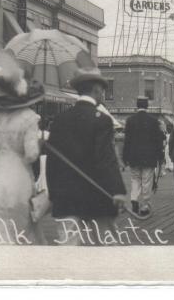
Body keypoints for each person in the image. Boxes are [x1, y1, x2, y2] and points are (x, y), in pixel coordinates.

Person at [46, 67, 127, 245]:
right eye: (102, 91)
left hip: (65, 196)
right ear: (96, 90)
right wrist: (117, 190)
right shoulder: (102, 120)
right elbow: (106, 159)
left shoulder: (60, 119)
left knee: (69, 247)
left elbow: (52, 161)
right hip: (96, 196)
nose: (102, 96)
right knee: (103, 247)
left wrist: (53, 194)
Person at [0, 60, 46, 245]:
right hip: (17, 178)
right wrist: (39, 142)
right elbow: (31, 154)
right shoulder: (29, 117)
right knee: (17, 231)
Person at [123, 96, 165, 216]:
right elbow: (158, 141)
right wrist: (160, 156)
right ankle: (145, 205)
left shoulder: (130, 120)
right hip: (149, 156)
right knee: (146, 180)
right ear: (147, 106)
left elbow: (127, 140)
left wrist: (125, 157)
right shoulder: (153, 121)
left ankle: (134, 199)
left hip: (134, 155)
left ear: (137, 106)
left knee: (135, 178)